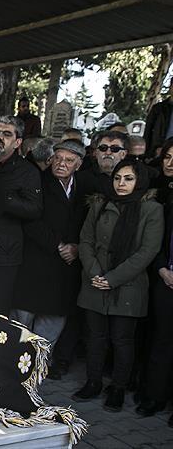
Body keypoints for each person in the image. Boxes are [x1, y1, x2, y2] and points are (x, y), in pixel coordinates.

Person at [72, 159, 163, 412]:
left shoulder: (151, 209)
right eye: (117, 178)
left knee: (122, 340)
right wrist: (95, 272)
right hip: (95, 280)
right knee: (95, 337)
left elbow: (147, 252)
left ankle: (118, 388)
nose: (121, 183)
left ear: (139, 181)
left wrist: (112, 279)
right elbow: (86, 240)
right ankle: (93, 382)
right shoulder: (100, 203)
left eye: (128, 179)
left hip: (128, 285)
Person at [11, 140, 89, 350]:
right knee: (20, 330)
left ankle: (39, 368)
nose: (61, 164)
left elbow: (88, 223)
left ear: (79, 164)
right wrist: (58, 245)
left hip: (64, 271)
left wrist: (77, 247)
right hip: (35, 265)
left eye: (69, 160)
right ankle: (16, 368)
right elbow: (28, 219)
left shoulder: (85, 187)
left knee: (49, 331)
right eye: (58, 158)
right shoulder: (37, 180)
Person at [0, 116, 42, 314]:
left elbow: (35, 209)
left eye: (6, 134)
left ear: (18, 142)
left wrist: (7, 200)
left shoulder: (27, 171)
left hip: (4, 253)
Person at [137, 139, 173, 420]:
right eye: (168, 156)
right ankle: (155, 395)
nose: (170, 163)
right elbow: (158, 240)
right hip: (165, 276)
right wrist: (162, 268)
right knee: (161, 339)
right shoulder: (162, 194)